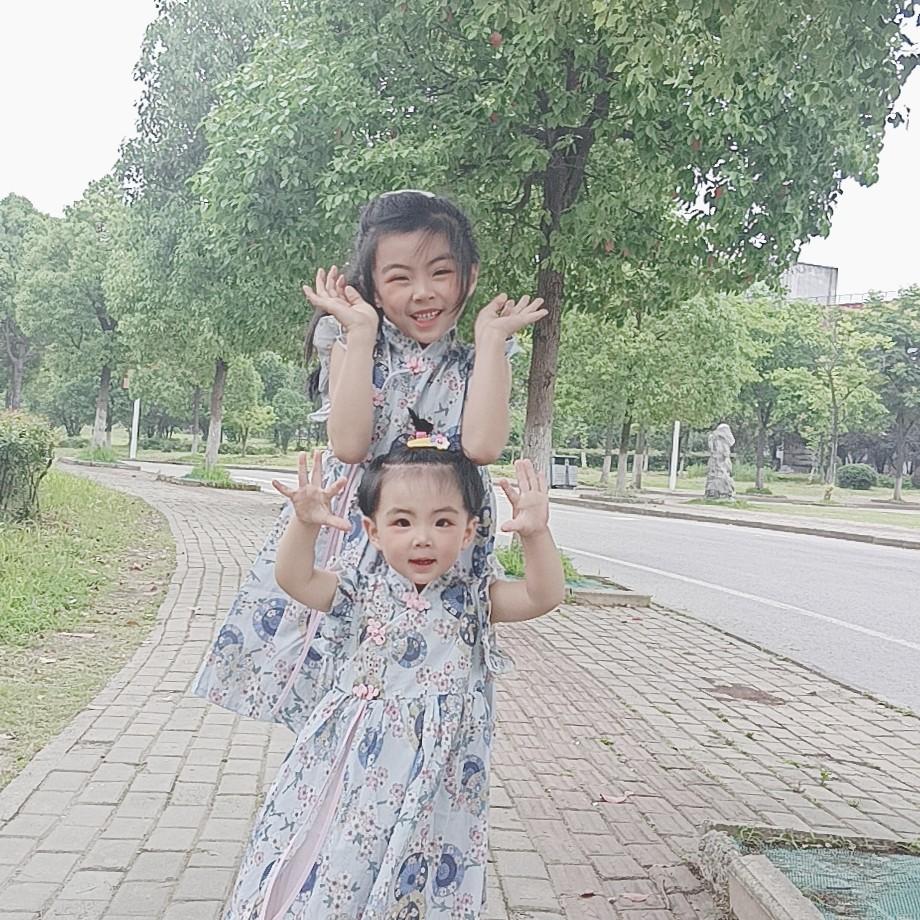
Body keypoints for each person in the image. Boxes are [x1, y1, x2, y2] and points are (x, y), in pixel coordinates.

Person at [193, 191, 546, 731]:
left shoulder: (480, 358)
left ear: (469, 277)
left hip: (438, 536)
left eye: (441, 272)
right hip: (359, 534)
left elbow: (481, 446)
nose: (423, 292)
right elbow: (350, 444)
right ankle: (334, 771)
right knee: (342, 682)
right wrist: (359, 336)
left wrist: (491, 337)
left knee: (430, 687)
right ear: (375, 287)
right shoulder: (355, 341)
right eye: (400, 278)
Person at [223, 446, 565, 920]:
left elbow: (543, 595)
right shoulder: (359, 589)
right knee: (344, 850)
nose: (422, 538)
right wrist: (304, 524)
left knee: (420, 859)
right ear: (373, 531)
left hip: (438, 770)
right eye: (402, 522)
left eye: (443, 522)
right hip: (358, 761)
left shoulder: (474, 599)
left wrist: (536, 534)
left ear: (469, 531)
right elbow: (295, 578)